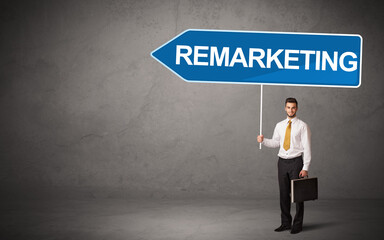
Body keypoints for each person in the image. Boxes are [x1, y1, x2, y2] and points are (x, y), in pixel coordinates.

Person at [257, 97, 311, 234]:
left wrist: (305, 167)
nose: (290, 110)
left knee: (298, 195)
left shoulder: (302, 126)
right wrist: (263, 141)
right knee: (283, 194)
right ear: (285, 108)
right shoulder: (279, 125)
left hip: (296, 162)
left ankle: (297, 224)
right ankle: (285, 223)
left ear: (296, 109)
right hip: (282, 162)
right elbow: (276, 143)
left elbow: (307, 147)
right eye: (288, 107)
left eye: (293, 107)